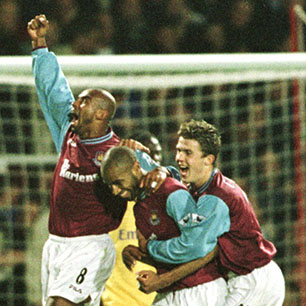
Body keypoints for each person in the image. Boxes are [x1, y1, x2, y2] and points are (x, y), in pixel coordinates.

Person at [27, 14, 168, 306]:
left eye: (83, 101)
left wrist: (165, 173)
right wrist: (40, 47)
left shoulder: (120, 154)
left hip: (90, 246)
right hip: (56, 246)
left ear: (101, 114)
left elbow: (162, 179)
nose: (75, 104)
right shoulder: (69, 134)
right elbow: (54, 91)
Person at [136, 119, 286, 306]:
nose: (179, 157)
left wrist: (150, 250)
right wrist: (157, 166)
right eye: (179, 150)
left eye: (188, 152)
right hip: (238, 278)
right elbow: (169, 176)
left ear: (209, 159)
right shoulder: (200, 186)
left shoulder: (217, 199)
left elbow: (194, 250)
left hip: (252, 280)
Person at [101, 146, 230, 306]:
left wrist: (161, 280)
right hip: (171, 291)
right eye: (110, 185)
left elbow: (207, 248)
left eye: (118, 182)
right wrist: (142, 256)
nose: (114, 191)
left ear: (136, 167)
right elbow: (171, 257)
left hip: (200, 289)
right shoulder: (139, 207)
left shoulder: (171, 192)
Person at [101, 131, 164, 306]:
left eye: (156, 157)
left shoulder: (168, 203)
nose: (152, 165)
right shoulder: (111, 205)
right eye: (146, 159)